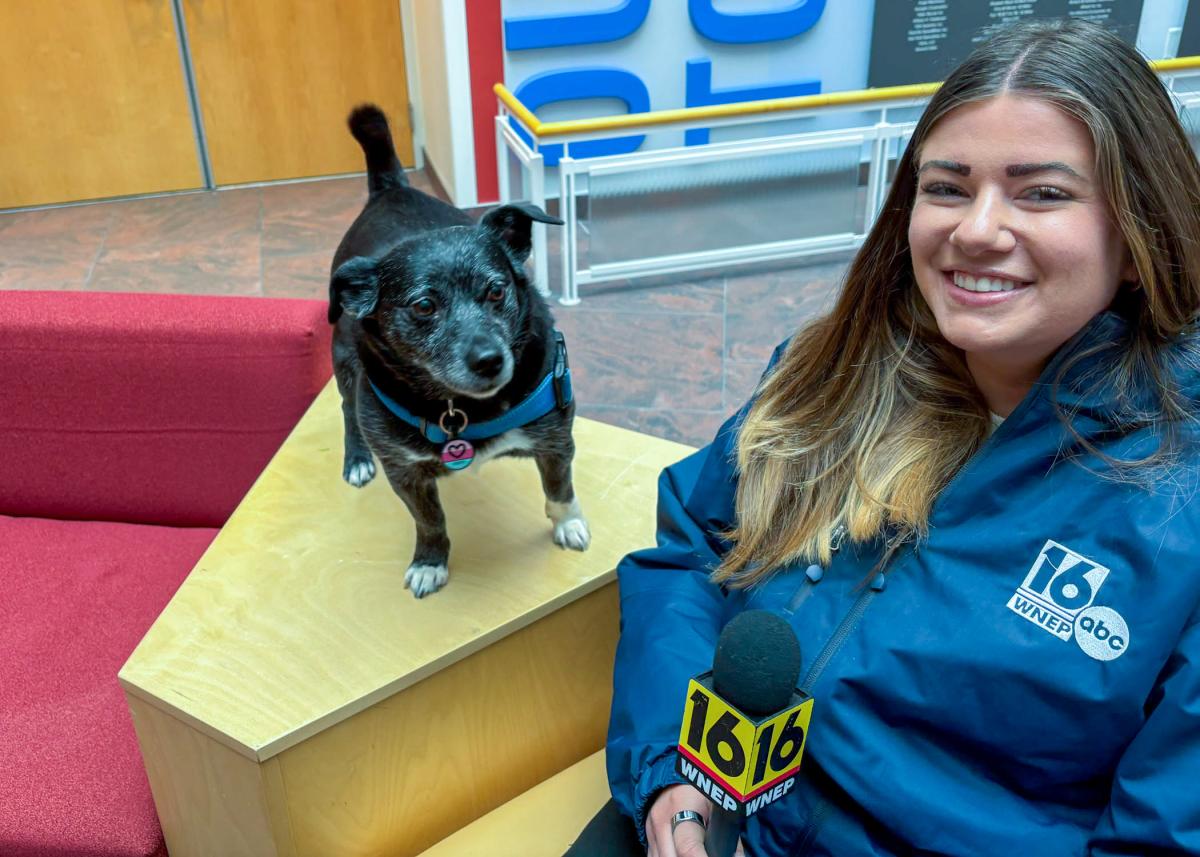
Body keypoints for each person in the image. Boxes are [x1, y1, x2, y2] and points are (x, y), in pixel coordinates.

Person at [604, 18, 1200, 857]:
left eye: (1042, 193)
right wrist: (673, 778)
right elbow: (690, 556)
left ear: (1140, 239)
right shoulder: (831, 371)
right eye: (948, 187)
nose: (978, 229)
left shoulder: (1180, 502)